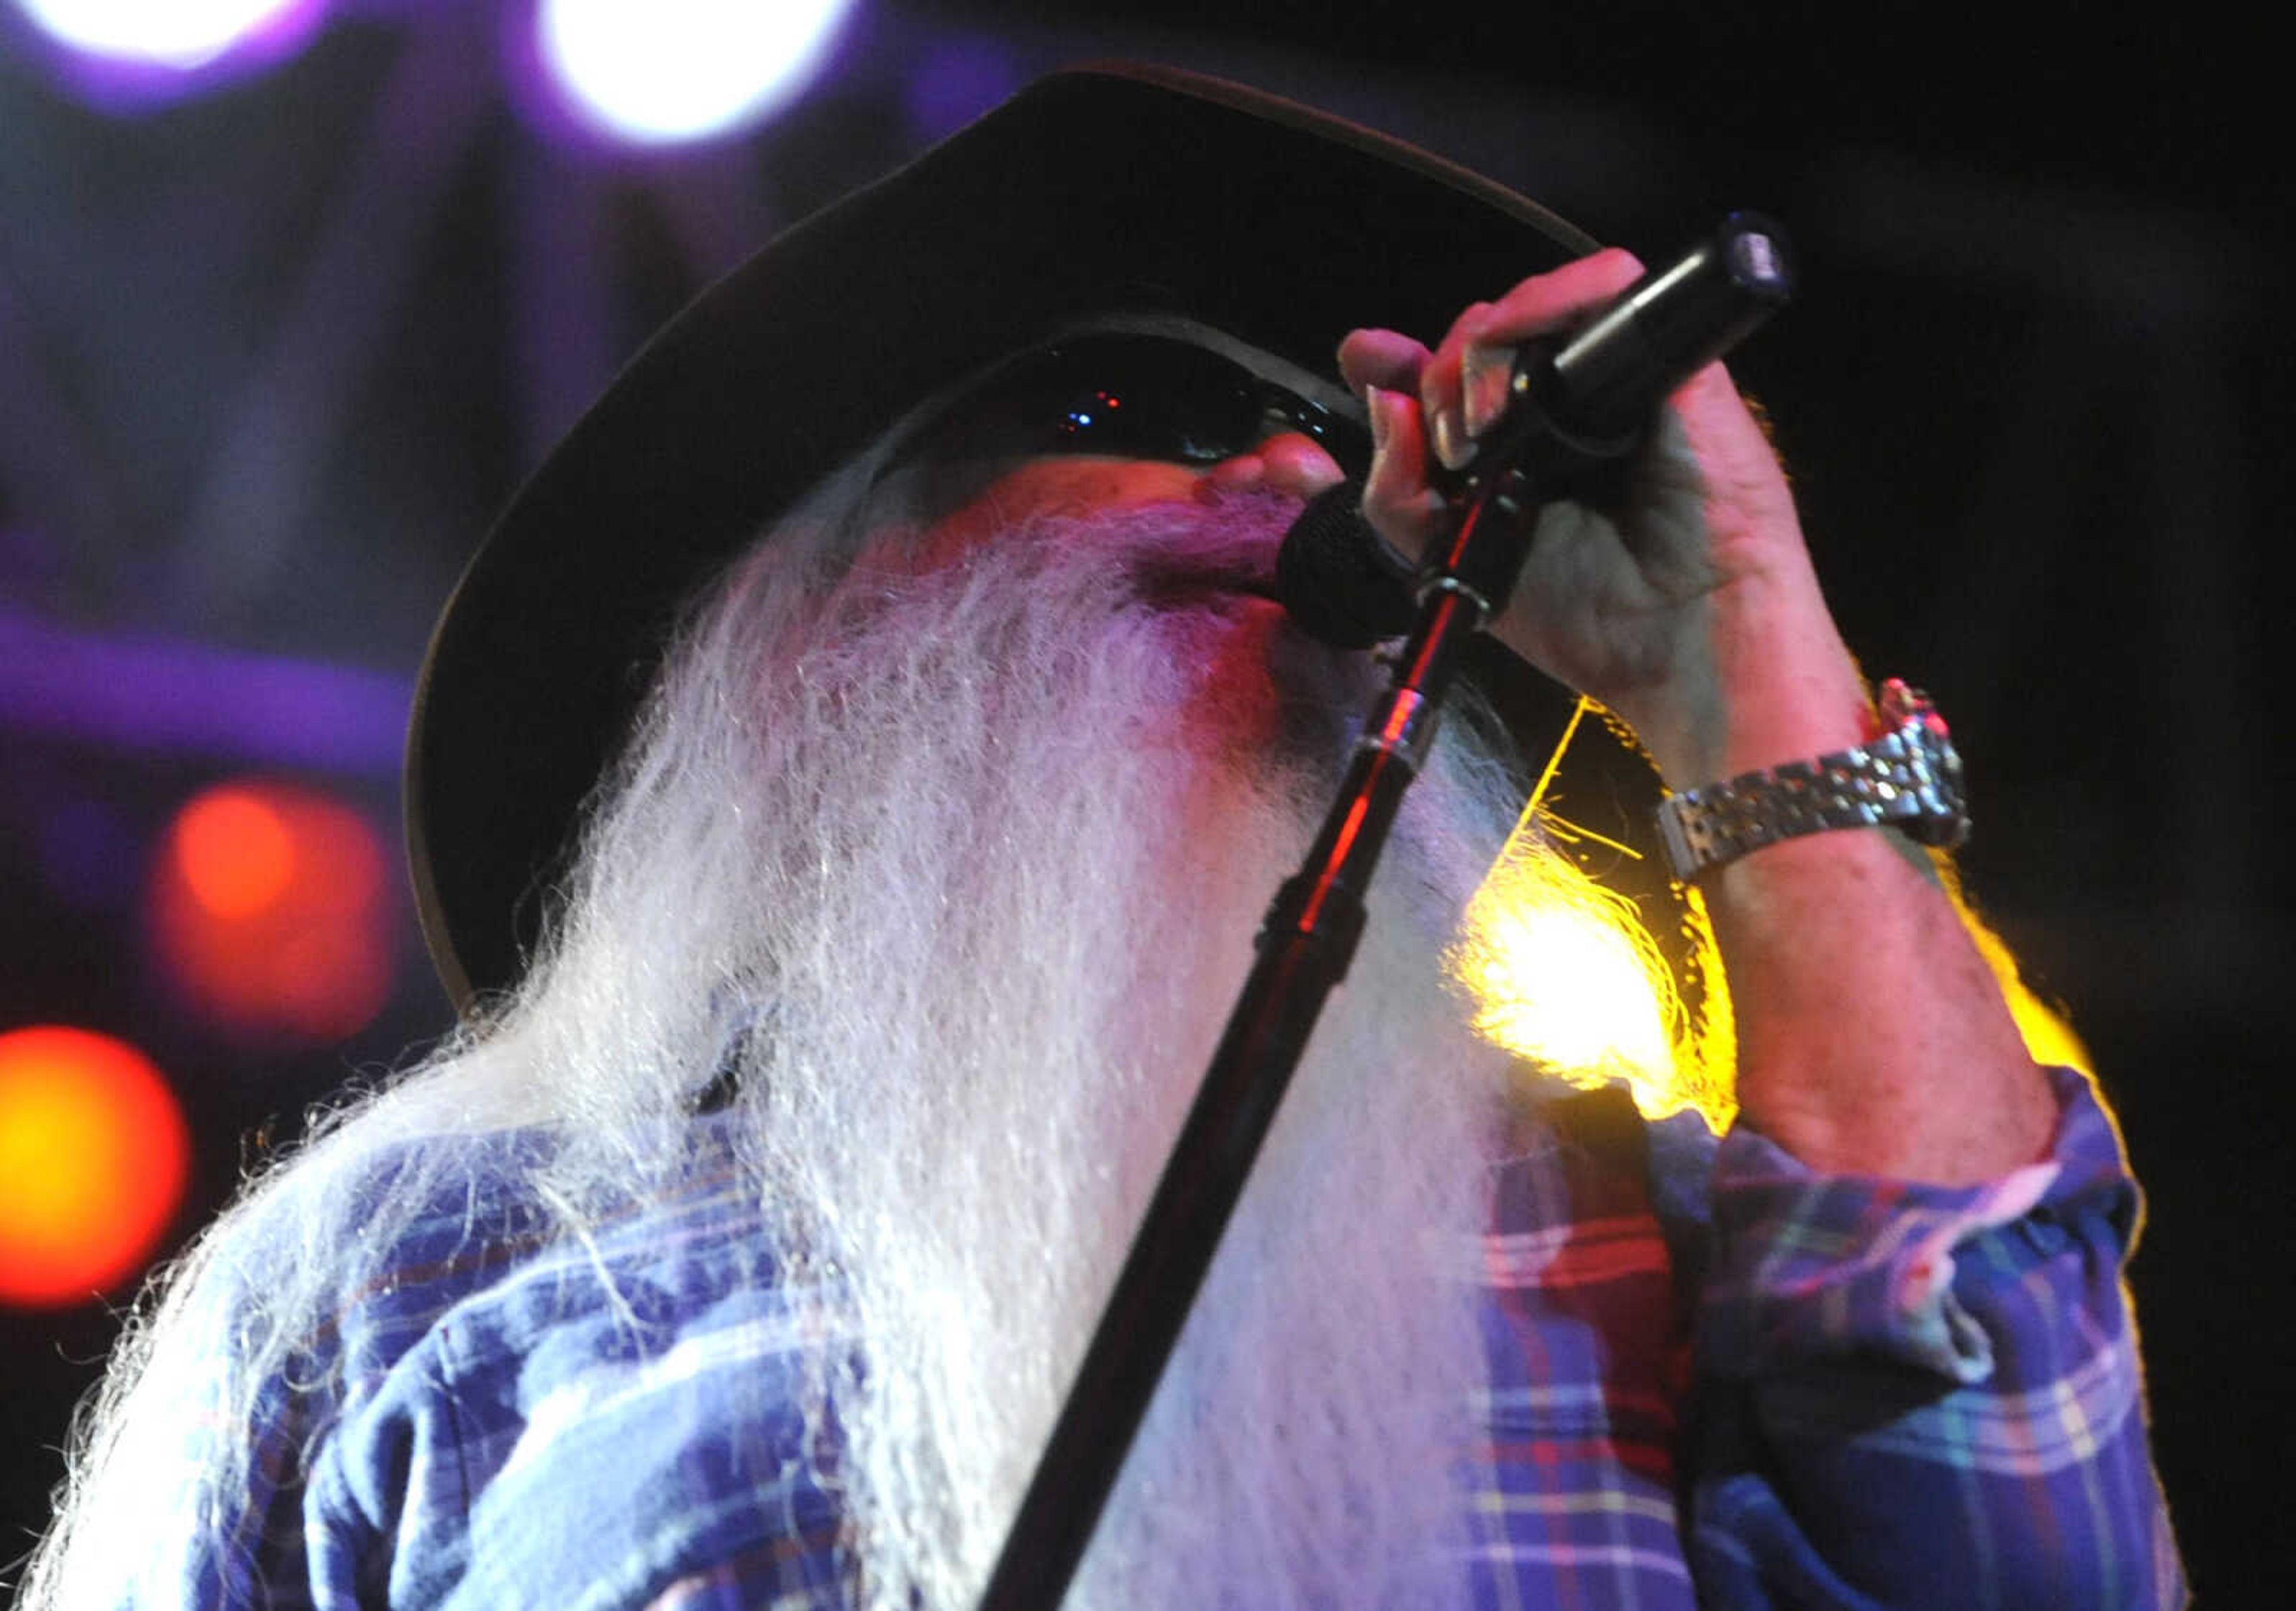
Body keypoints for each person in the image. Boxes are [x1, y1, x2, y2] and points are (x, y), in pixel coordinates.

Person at [18, 66, 2182, 1610]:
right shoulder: (419, 1276)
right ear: (792, 630)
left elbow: (2036, 1547)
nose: (1286, 473)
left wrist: (1740, 647)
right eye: (1121, 410)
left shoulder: (1661, 1236)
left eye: (1327, 443)